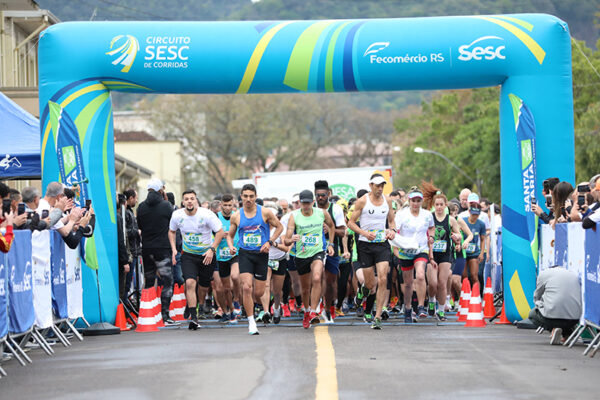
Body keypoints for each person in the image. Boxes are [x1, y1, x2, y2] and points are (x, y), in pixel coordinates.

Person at [226, 184, 283, 335]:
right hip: (244, 254)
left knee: (258, 292)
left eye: (251, 196)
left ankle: (253, 304)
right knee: (246, 287)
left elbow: (279, 227)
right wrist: (231, 246)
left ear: (255, 196)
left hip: (261, 255)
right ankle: (251, 322)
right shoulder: (236, 215)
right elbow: (229, 235)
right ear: (241, 197)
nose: (248, 199)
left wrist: (269, 242)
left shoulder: (265, 212)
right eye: (245, 196)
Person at [169, 190, 225, 330]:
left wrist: (212, 249)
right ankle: (194, 317)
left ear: (196, 201)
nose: (189, 201)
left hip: (207, 255)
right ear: (183, 202)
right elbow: (171, 231)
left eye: (192, 198)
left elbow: (220, 232)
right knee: (189, 283)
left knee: (204, 286)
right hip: (188, 255)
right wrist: (174, 250)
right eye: (186, 199)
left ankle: (194, 304)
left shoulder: (206, 215)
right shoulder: (177, 215)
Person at [347, 174, 396, 330]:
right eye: (377, 185)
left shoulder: (387, 200)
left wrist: (392, 230)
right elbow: (350, 223)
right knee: (370, 284)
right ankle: (362, 292)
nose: (380, 188)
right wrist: (364, 233)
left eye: (382, 185)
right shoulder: (362, 201)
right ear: (370, 186)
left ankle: (377, 316)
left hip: (382, 244)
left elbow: (391, 220)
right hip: (365, 245)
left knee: (382, 278)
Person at [284, 190, 336, 329]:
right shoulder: (294, 216)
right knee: (305, 289)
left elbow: (331, 226)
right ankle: (307, 311)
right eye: (303, 203)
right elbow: (287, 239)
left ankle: (313, 312)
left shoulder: (321, 213)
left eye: (308, 203)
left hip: (318, 251)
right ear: (299, 203)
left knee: (317, 277)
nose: (306, 206)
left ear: (313, 202)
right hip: (301, 255)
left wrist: (330, 244)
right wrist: (291, 239)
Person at [422, 183, 471, 320]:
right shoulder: (428, 218)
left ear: (445, 206)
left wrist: (457, 238)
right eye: (436, 205)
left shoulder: (451, 220)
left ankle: (441, 310)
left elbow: (459, 235)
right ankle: (431, 300)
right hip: (431, 254)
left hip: (445, 254)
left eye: (441, 205)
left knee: (442, 283)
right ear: (434, 205)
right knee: (433, 283)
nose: (438, 207)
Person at [137, 178, 175, 325]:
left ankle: (148, 313)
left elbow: (140, 225)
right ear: (161, 190)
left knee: (149, 281)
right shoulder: (166, 206)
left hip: (146, 248)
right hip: (163, 249)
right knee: (167, 281)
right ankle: (164, 314)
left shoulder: (141, 207)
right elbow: (173, 226)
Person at [393, 187, 434, 322]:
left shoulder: (427, 214)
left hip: (421, 249)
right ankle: (408, 307)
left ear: (421, 201)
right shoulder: (401, 214)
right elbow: (395, 229)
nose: (415, 203)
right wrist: (393, 240)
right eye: (413, 201)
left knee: (421, 275)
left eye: (418, 201)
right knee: (408, 284)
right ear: (409, 201)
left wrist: (431, 237)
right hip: (405, 250)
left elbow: (431, 227)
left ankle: (421, 306)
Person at [314, 180, 347, 323]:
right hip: (313, 249)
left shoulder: (336, 209)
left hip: (332, 248)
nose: (320, 198)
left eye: (323, 195)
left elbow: (343, 231)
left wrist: (330, 229)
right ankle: (316, 308)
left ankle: (328, 307)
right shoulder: (311, 208)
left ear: (328, 194)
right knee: (315, 278)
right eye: (318, 195)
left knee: (330, 282)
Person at [529, 265, 582, 345]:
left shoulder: (544, 274)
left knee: (532, 314)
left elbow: (537, 296)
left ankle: (553, 329)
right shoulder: (574, 275)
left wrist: (539, 304)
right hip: (574, 319)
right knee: (564, 315)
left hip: (551, 318)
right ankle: (566, 335)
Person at [216, 194, 242, 322]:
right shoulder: (215, 217)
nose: (227, 208)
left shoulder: (237, 216)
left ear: (234, 205)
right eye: (224, 205)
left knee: (236, 276)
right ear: (221, 204)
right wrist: (220, 235)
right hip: (220, 255)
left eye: (229, 205)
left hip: (235, 252)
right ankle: (230, 311)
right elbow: (210, 234)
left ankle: (236, 299)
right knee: (224, 289)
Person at [461, 193, 487, 287]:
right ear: (469, 212)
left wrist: (482, 253)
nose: (475, 216)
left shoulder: (481, 224)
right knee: (464, 276)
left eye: (477, 215)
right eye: (473, 214)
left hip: (474, 252)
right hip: (463, 252)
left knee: (474, 276)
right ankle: (464, 297)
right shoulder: (462, 221)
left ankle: (477, 296)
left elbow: (483, 239)